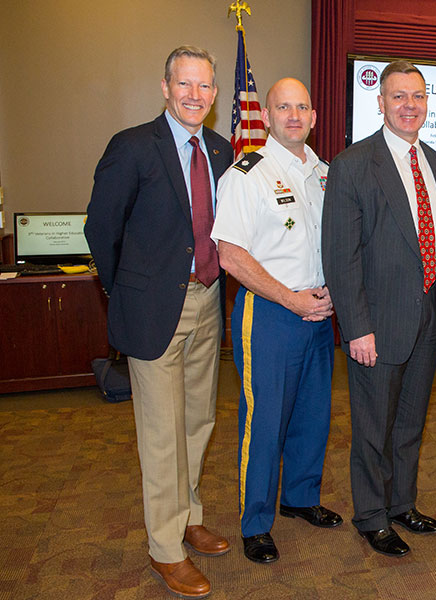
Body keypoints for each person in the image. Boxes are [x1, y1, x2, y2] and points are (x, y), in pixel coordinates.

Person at [85, 46, 233, 599]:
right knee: (162, 431)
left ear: (215, 93)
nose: (195, 95)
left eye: (205, 86)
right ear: (165, 87)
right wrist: (126, 293)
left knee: (197, 422)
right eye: (185, 84)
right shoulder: (131, 147)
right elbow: (101, 230)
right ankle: (165, 547)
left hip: (207, 301)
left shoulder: (219, 150)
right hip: (152, 312)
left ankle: (188, 516)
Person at [322, 60, 436, 558]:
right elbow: (341, 254)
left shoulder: (432, 158)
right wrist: (355, 327)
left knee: (411, 421)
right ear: (380, 103)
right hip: (376, 323)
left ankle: (402, 503)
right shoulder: (354, 163)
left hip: (427, 315)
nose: (409, 105)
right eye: (399, 96)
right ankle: (372, 515)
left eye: (417, 96)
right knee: (373, 424)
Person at [211, 78, 342, 565]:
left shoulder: (326, 173)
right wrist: (291, 299)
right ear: (265, 116)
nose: (293, 115)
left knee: (312, 415)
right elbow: (230, 256)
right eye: (282, 107)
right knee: (263, 421)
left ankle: (301, 498)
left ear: (313, 117)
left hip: (318, 311)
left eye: (302, 107)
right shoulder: (246, 176)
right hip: (269, 314)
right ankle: (256, 521)